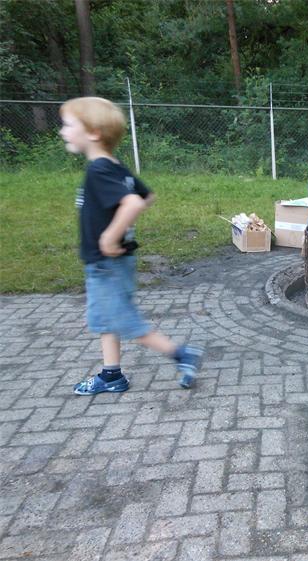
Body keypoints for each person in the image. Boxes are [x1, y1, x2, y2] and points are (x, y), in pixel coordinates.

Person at [59, 97, 203, 395]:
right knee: (106, 319)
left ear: (94, 132)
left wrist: (110, 236)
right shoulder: (115, 166)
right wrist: (122, 226)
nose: (63, 131)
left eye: (69, 125)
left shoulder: (98, 170)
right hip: (116, 262)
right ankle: (111, 375)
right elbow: (147, 195)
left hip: (105, 263)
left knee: (124, 321)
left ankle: (181, 354)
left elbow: (134, 202)